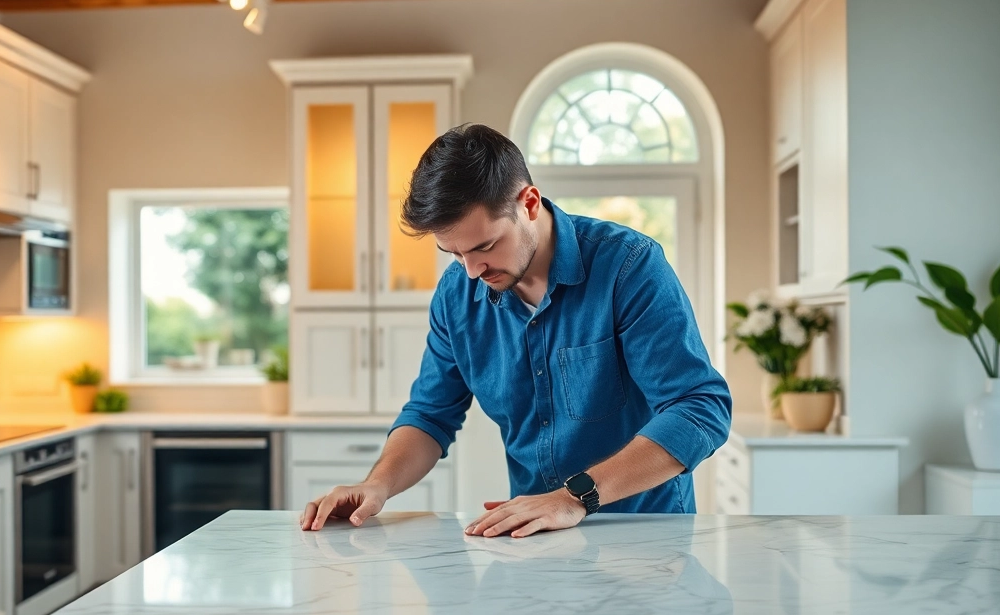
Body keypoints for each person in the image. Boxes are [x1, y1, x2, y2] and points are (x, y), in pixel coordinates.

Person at [299, 124, 732, 537]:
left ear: (528, 203)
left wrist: (573, 497)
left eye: (485, 246)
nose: (471, 271)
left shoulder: (627, 266)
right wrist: (379, 485)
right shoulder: (456, 295)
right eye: (454, 253)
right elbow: (430, 415)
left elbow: (699, 408)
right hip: (536, 533)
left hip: (645, 536)